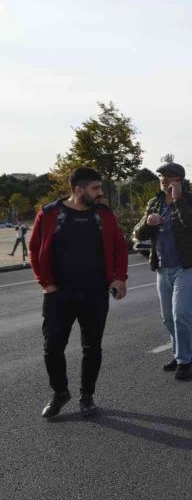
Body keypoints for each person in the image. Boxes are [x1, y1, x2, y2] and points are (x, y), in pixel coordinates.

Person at [28, 167, 128, 419]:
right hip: (58, 294)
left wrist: (118, 278)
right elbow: (34, 248)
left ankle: (87, 396)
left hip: (95, 293)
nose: (100, 193)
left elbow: (119, 246)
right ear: (78, 189)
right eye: (95, 188)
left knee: (92, 347)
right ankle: (60, 393)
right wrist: (45, 283)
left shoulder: (104, 215)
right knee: (52, 347)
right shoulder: (50, 213)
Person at [133, 162, 192, 380]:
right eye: (162, 177)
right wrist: (148, 222)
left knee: (180, 313)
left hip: (186, 266)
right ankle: (180, 353)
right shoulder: (154, 203)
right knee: (167, 318)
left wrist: (179, 199)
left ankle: (184, 360)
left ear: (180, 180)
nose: (164, 180)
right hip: (162, 267)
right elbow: (138, 233)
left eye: (170, 177)